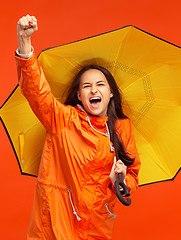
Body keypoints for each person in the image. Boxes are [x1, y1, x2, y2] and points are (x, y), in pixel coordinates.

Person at [15, 14, 141, 240]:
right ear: (79, 95)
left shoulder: (123, 128)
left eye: (100, 84)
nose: (94, 90)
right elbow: (37, 93)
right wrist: (25, 45)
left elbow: (132, 174)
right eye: (87, 86)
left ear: (110, 93)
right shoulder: (62, 119)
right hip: (56, 222)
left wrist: (120, 181)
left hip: (96, 226)